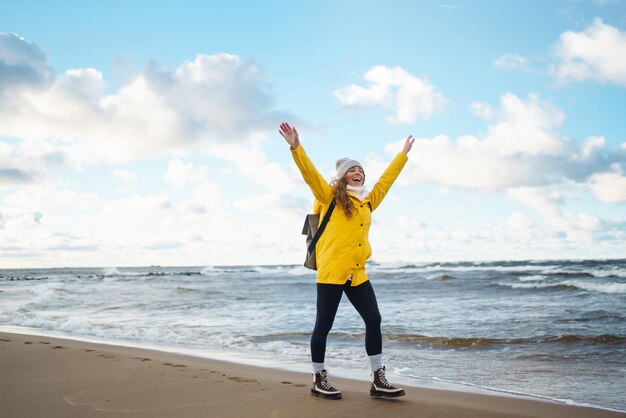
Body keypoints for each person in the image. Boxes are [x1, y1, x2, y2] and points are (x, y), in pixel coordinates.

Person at [279, 122, 415, 400]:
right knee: (324, 325)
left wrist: (402, 154)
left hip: (357, 273)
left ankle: (378, 379)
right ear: (342, 177)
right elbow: (310, 175)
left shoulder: (367, 201)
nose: (358, 173)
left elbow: (386, 181)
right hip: (331, 272)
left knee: (373, 319)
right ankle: (319, 378)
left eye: (361, 170)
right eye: (353, 170)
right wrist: (296, 147)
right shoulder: (329, 196)